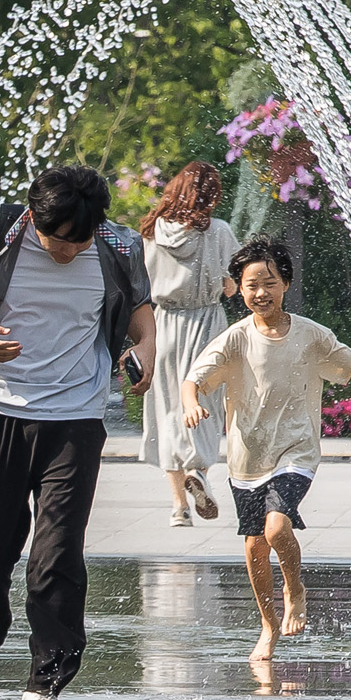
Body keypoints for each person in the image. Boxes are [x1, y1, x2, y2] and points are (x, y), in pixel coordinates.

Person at [0, 166, 154, 700]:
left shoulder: (120, 245)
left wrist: (145, 349)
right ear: (34, 217)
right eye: (59, 240)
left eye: (78, 241)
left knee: (57, 557)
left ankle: (45, 686)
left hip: (76, 418)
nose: (67, 250)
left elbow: (140, 317)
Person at [181, 237, 351, 662]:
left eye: (269, 283)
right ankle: (267, 626)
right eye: (251, 285)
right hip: (246, 458)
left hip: (296, 451)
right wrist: (190, 404)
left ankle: (295, 589)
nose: (261, 293)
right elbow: (194, 379)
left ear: (286, 283)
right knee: (255, 547)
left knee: (277, 530)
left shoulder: (312, 335)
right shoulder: (235, 339)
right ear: (239, 289)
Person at [137, 162, 238, 527]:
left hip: (163, 324)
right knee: (203, 403)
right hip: (207, 324)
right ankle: (199, 469)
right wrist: (226, 285)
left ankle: (179, 507)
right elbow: (233, 283)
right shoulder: (218, 232)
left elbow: (140, 287)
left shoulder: (150, 233)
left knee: (167, 411)